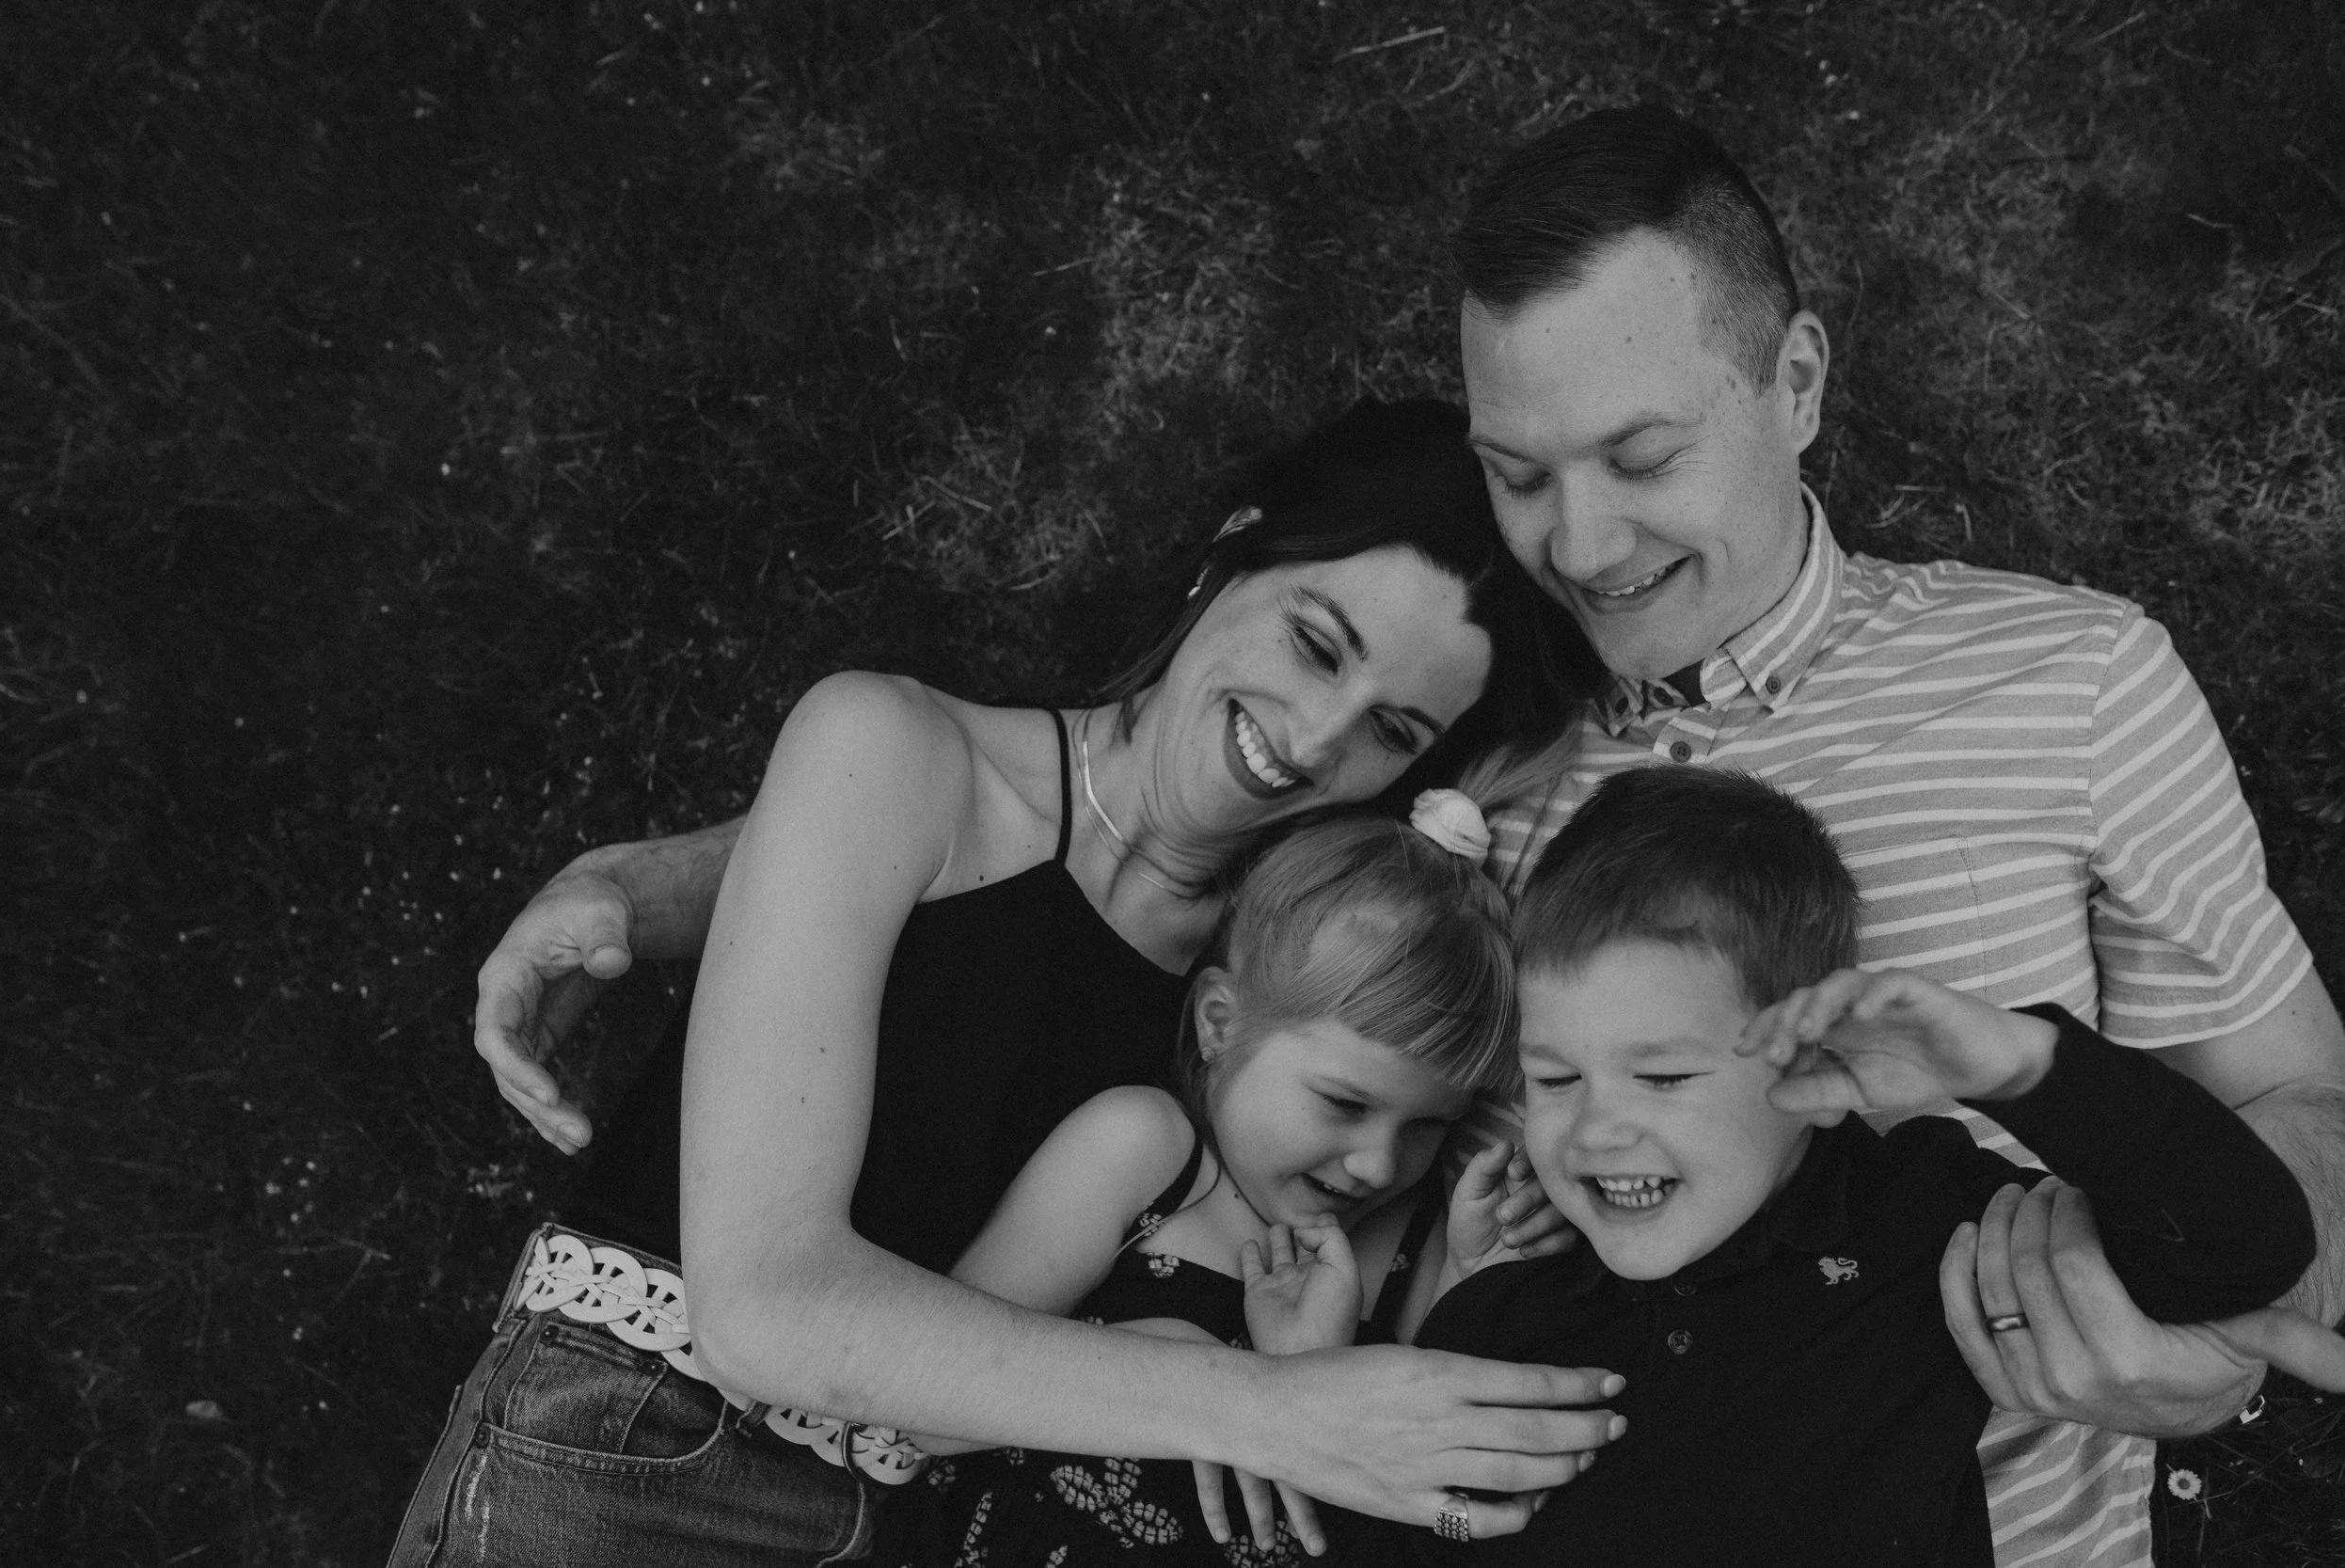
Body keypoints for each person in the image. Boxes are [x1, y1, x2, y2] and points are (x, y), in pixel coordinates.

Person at [397, 398, 1619, 1567]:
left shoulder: (1285, 962)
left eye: (1393, 730)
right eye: (1313, 641)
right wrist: (1270, 1404)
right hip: (637, 1453)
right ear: (1236, 548)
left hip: (929, 1514)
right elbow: (765, 1307)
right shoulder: (899, 748)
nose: (1311, 737)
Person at [1447, 105, 2345, 1562]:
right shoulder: (1477, 783)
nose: (1584, 547)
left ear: (1794, 381)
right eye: (1518, 473)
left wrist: (2218, 1349)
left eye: (1644, 454)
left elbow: (2306, 1104)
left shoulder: (2074, 680)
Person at [1309, 766, 2341, 1565]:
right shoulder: (1505, 1314)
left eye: (1663, 1075)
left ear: (1806, 1060)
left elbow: (2242, 1245)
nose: (1593, 1132)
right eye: (1552, 1077)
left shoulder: (1916, 1221)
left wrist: (2022, 1062)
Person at [881, 802, 1573, 1568]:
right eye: (1345, 1102)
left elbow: (1444, 1508)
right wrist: (1178, 1357)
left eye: (1428, 1126)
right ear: (1219, 1022)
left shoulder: (1410, 1236)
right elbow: (927, 1410)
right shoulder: (1146, 1154)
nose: (1380, 1164)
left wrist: (1474, 1279)